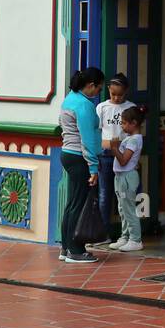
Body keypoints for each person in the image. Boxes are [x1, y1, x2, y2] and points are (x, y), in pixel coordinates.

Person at [58, 66, 105, 263]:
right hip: (80, 158)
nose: (98, 93)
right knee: (78, 204)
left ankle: (66, 247)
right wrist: (93, 168)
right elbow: (87, 139)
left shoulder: (69, 99)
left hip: (68, 154)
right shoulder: (84, 105)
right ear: (91, 85)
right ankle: (76, 251)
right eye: (99, 89)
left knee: (72, 204)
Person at [91, 74, 135, 250]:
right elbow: (97, 133)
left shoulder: (130, 107)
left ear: (126, 93)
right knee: (104, 195)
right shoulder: (101, 107)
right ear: (108, 90)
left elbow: (134, 134)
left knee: (124, 197)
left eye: (120, 95)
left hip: (124, 157)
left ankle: (129, 235)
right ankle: (103, 234)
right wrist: (108, 145)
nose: (117, 98)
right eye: (113, 94)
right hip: (105, 156)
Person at [109, 106, 146, 252]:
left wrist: (114, 148)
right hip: (121, 177)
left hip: (127, 177)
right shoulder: (130, 139)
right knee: (122, 208)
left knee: (129, 209)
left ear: (134, 123)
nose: (122, 126)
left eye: (124, 123)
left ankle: (135, 239)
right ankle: (124, 237)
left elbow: (124, 160)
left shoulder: (134, 140)